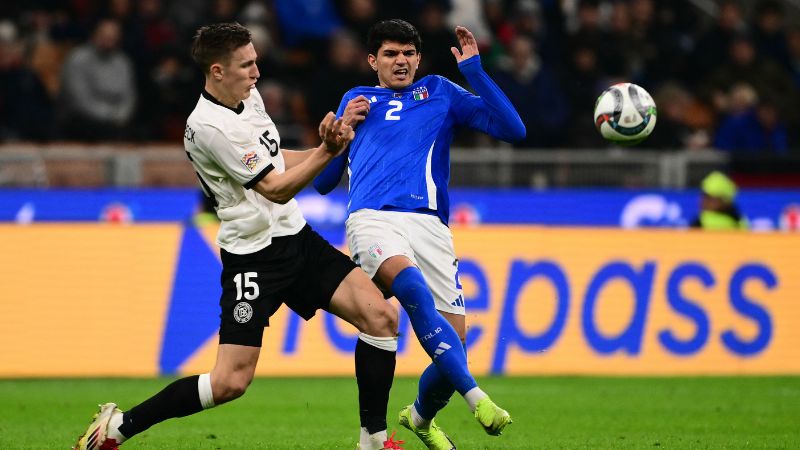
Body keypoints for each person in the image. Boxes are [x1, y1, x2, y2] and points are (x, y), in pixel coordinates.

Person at [74, 23, 402, 450]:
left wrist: (337, 143)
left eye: (255, 61)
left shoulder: (248, 97)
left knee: (382, 317)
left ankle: (373, 441)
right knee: (230, 382)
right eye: (246, 64)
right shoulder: (208, 127)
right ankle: (118, 427)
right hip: (253, 260)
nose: (256, 72)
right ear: (217, 72)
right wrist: (326, 152)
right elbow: (274, 186)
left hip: (296, 238)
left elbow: (276, 158)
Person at [314, 19, 525, 450]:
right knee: (410, 286)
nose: (402, 61)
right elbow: (323, 182)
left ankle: (420, 418)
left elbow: (513, 131)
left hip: (430, 225)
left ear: (419, 58)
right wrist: (340, 134)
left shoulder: (440, 92)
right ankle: (477, 398)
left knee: (457, 342)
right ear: (372, 61)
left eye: (409, 53)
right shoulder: (356, 99)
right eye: (391, 54)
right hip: (372, 218)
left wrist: (475, 72)